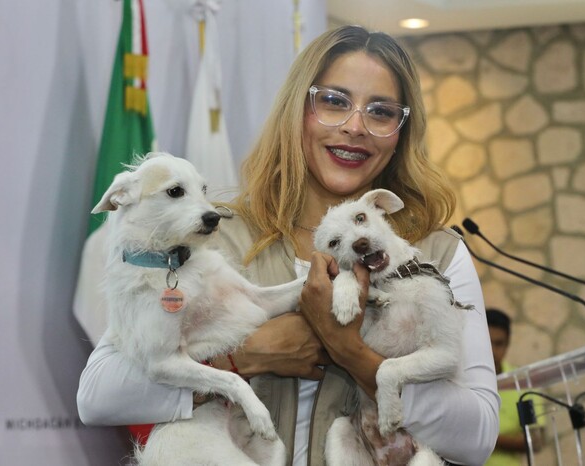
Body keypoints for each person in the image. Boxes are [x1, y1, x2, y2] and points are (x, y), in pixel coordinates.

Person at [77, 25, 499, 465]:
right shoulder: (214, 236)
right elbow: (99, 395)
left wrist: (353, 354)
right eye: (335, 102)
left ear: (400, 132)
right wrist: (240, 358)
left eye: (381, 111)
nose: (355, 127)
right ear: (298, 110)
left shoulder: (434, 254)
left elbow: (477, 436)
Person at [485, 308, 544, 466]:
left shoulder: (523, 383)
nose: (492, 350)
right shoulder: (461, 381)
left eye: (499, 343)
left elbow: (536, 440)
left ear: (508, 344)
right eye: (487, 342)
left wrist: (485, 438)